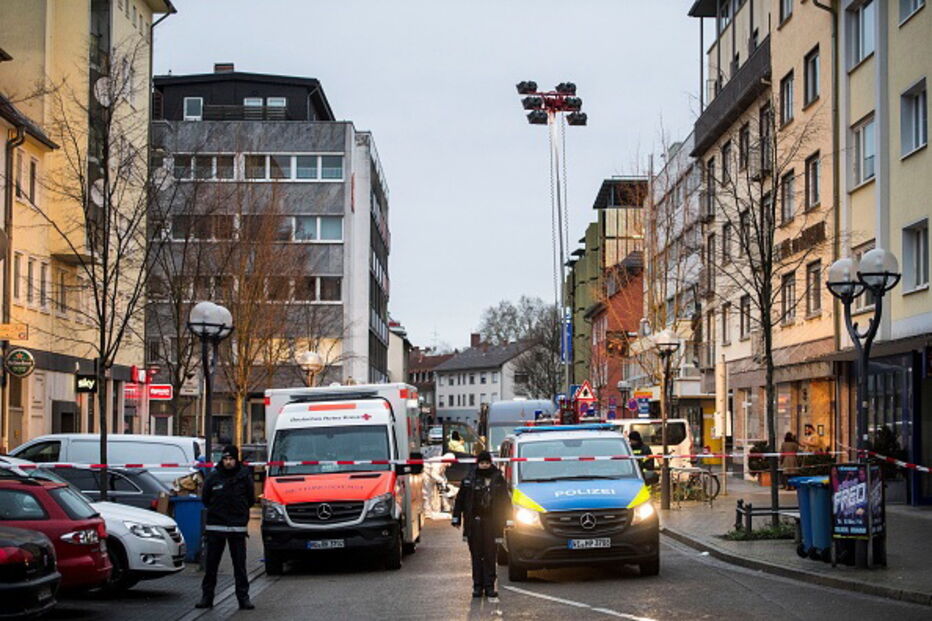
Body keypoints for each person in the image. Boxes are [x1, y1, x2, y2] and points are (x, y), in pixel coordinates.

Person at [196, 445, 256, 611]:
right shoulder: (214, 477)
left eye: (231, 459)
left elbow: (250, 499)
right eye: (225, 459)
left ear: (236, 460)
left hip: (237, 528)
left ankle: (243, 599)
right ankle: (207, 598)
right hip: (216, 527)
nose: (228, 462)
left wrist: (240, 514)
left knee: (240, 567)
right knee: (211, 566)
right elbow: (206, 498)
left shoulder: (244, 477)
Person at [452, 451, 510, 599]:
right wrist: (456, 518)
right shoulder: (469, 479)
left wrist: (509, 519)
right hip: (474, 523)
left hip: (492, 522)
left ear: (490, 463)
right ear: (478, 463)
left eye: (487, 463)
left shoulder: (498, 479)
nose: (484, 466)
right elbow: (460, 500)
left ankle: (490, 586)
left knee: (490, 554)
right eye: (482, 463)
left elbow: (505, 501)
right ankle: (477, 587)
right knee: (476, 555)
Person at [423, 452, 455, 517]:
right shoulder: (437, 463)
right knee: (427, 494)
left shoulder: (443, 463)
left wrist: (445, 481)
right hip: (426, 476)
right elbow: (434, 474)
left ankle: (433, 510)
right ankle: (427, 512)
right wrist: (441, 480)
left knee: (433, 494)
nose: (449, 465)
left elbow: (442, 473)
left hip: (431, 477)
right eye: (449, 462)